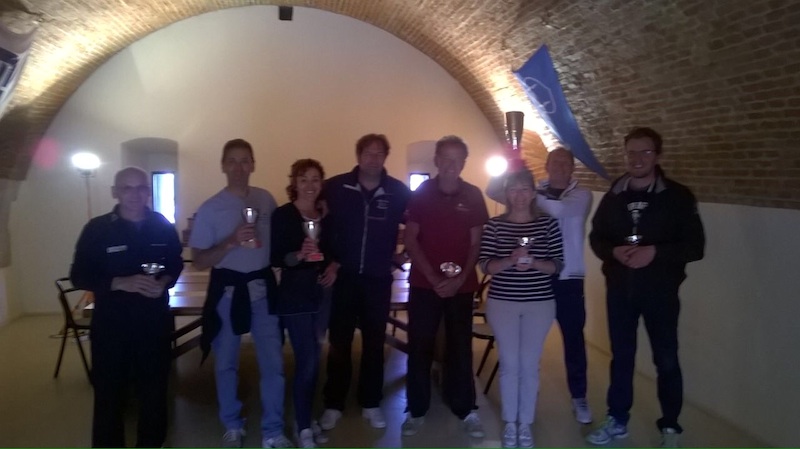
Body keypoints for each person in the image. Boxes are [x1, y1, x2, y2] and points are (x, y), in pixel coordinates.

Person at [587, 127, 705, 448]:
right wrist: (613, 251)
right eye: (631, 153)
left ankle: (671, 427)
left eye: (645, 152)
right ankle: (617, 419)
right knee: (621, 357)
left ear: (658, 155)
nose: (637, 159)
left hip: (660, 294)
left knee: (666, 360)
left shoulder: (678, 197)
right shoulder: (614, 195)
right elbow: (597, 237)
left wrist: (655, 252)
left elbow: (695, 247)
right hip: (620, 291)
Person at [70, 166, 183, 448]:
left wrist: (165, 281)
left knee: (154, 393)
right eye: (127, 188)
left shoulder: (161, 224)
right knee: (109, 396)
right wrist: (119, 282)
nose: (135, 194)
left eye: (141, 187)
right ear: (115, 192)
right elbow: (79, 275)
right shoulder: (97, 229)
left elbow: (175, 263)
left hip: (153, 324)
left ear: (148, 191)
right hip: (112, 326)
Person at [189, 138, 290, 448]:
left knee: (273, 365)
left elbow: (282, 235)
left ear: (253, 164)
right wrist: (231, 241)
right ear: (223, 165)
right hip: (228, 293)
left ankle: (273, 430)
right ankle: (232, 424)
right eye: (232, 160)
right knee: (225, 364)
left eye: (245, 160)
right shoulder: (210, 208)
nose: (238, 167)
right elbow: (198, 261)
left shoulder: (265, 200)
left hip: (262, 290)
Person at [487, 147, 594, 424]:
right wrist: (511, 166)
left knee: (573, 338)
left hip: (568, 276)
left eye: (565, 162)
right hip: (533, 278)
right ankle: (522, 395)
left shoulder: (581, 195)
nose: (560, 166)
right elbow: (493, 190)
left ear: (573, 167)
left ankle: (579, 397)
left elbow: (559, 210)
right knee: (523, 347)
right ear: (546, 165)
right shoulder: (533, 190)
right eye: (555, 161)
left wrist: (529, 196)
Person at [318, 133, 412, 430]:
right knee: (339, 343)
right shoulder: (336, 187)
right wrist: (329, 259)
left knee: (374, 344)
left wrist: (403, 256)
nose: (373, 158)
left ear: (386, 157)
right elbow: (316, 223)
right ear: (358, 155)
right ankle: (334, 403)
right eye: (368, 153)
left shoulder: (398, 191)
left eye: (379, 153)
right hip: (343, 278)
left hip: (378, 279)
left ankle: (371, 402)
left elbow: (419, 225)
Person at [400, 136, 489, 438]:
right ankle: (416, 409)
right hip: (425, 285)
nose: (451, 165)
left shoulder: (473, 195)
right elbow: (410, 238)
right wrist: (434, 278)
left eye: (457, 159)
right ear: (437, 160)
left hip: (461, 288)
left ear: (464, 163)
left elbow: (476, 243)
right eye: (446, 158)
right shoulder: (421, 193)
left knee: (461, 348)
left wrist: (459, 279)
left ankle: (466, 409)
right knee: (419, 347)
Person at [478, 168, 563, 449]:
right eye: (513, 189)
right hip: (503, 302)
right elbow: (485, 265)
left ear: (533, 192)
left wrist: (534, 262)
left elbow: (557, 265)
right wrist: (510, 261)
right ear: (506, 194)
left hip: (540, 303)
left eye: (525, 189)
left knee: (529, 364)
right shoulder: (494, 225)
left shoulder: (548, 224)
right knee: (509, 364)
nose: (519, 195)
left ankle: (525, 423)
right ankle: (510, 422)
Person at [270, 159, 338, 448]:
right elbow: (276, 257)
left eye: (315, 179)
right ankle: (303, 426)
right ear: (294, 183)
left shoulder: (326, 216)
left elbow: (335, 251)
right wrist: (299, 254)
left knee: (315, 357)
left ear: (321, 183)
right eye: (303, 179)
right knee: (306, 361)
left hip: (322, 293)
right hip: (295, 294)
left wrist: (333, 266)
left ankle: (306, 417)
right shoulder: (283, 215)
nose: (310, 185)